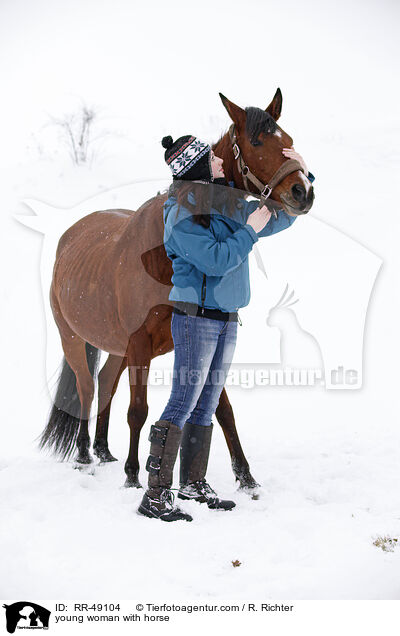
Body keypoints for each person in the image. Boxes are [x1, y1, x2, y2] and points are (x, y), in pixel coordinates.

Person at [137, 134, 314, 522]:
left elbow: (286, 215)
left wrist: (303, 174)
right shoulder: (179, 214)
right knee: (182, 402)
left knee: (206, 402)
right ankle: (155, 496)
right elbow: (216, 260)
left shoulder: (227, 204)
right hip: (194, 317)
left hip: (227, 316)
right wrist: (249, 229)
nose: (220, 163)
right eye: (212, 161)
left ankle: (193, 483)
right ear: (199, 168)